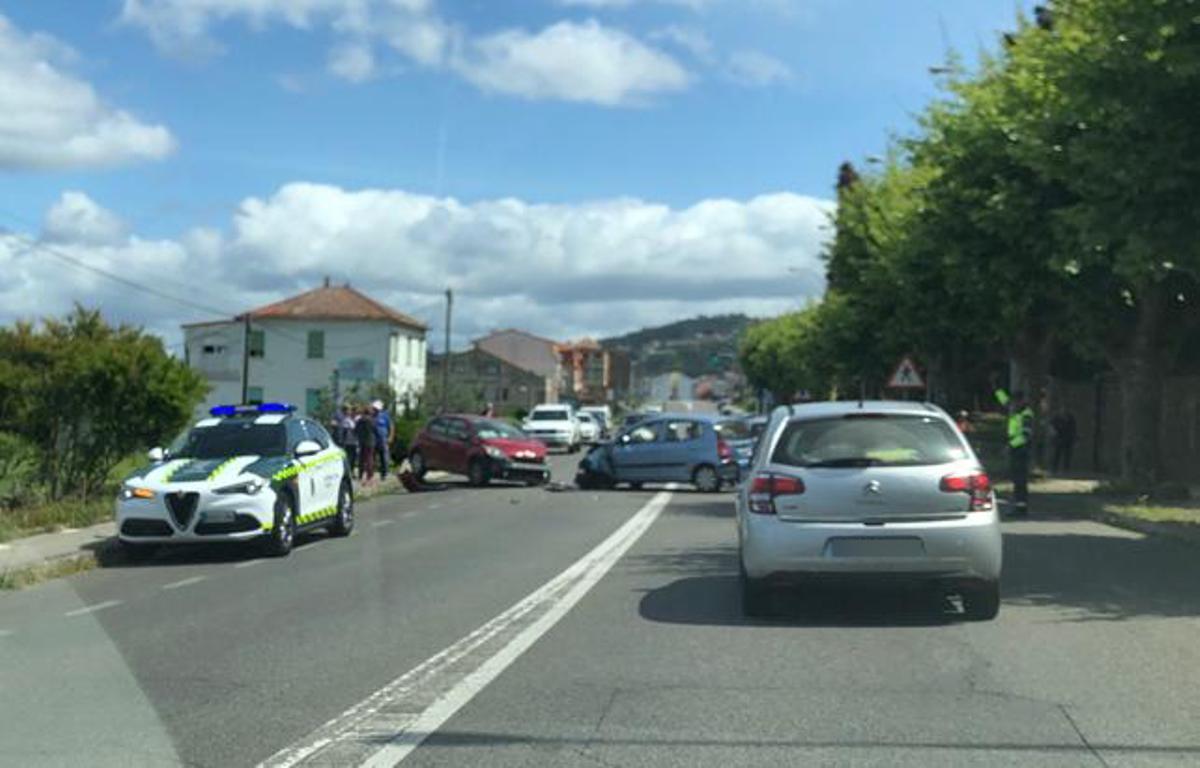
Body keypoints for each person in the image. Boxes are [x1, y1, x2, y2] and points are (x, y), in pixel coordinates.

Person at [995, 386, 1035, 516]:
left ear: (1022, 401)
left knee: (1020, 480)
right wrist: (996, 387)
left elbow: (1025, 435)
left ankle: (1021, 507)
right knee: (1017, 480)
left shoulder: (1026, 415)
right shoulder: (1017, 411)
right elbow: (1004, 401)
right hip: (1016, 449)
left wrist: (1010, 446)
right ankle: (1019, 506)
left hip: (1021, 450)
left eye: (1016, 401)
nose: (1014, 404)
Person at [355, 405, 377, 484]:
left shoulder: (359, 420)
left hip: (362, 441)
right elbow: (375, 430)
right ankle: (369, 476)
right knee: (369, 459)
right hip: (370, 441)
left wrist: (359, 436)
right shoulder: (372, 420)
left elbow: (356, 430)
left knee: (361, 459)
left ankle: (360, 475)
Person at [371, 399, 393, 478]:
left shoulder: (385, 416)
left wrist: (390, 437)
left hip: (383, 440)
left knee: (384, 458)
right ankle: (371, 474)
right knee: (372, 457)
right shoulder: (371, 416)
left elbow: (391, 427)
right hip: (373, 440)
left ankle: (384, 474)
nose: (375, 410)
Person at [1051, 408, 1077, 473]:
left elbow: (1073, 429)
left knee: (1067, 455)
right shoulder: (1057, 418)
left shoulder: (1070, 418)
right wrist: (1054, 432)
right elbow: (1052, 425)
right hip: (1059, 438)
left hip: (1067, 438)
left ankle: (1066, 469)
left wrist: (1074, 437)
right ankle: (1055, 468)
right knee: (1057, 454)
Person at [336, 406, 359, 477]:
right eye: (353, 412)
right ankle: (347, 472)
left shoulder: (358, 420)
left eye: (356, 412)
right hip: (348, 442)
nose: (354, 413)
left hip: (356, 442)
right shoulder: (347, 420)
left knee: (354, 459)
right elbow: (345, 431)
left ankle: (352, 472)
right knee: (348, 458)